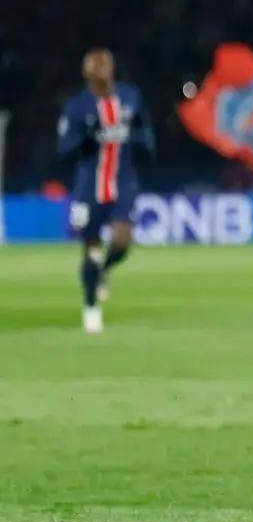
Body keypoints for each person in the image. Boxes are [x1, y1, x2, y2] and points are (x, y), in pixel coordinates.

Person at [57, 48, 154, 333]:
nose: (100, 73)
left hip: (123, 182)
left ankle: (103, 270)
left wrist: (145, 143)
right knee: (91, 248)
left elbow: (142, 127)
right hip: (89, 186)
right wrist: (87, 138)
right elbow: (64, 150)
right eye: (95, 69)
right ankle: (90, 306)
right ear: (87, 74)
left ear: (111, 69)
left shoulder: (129, 97)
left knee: (122, 241)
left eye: (104, 67)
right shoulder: (78, 107)